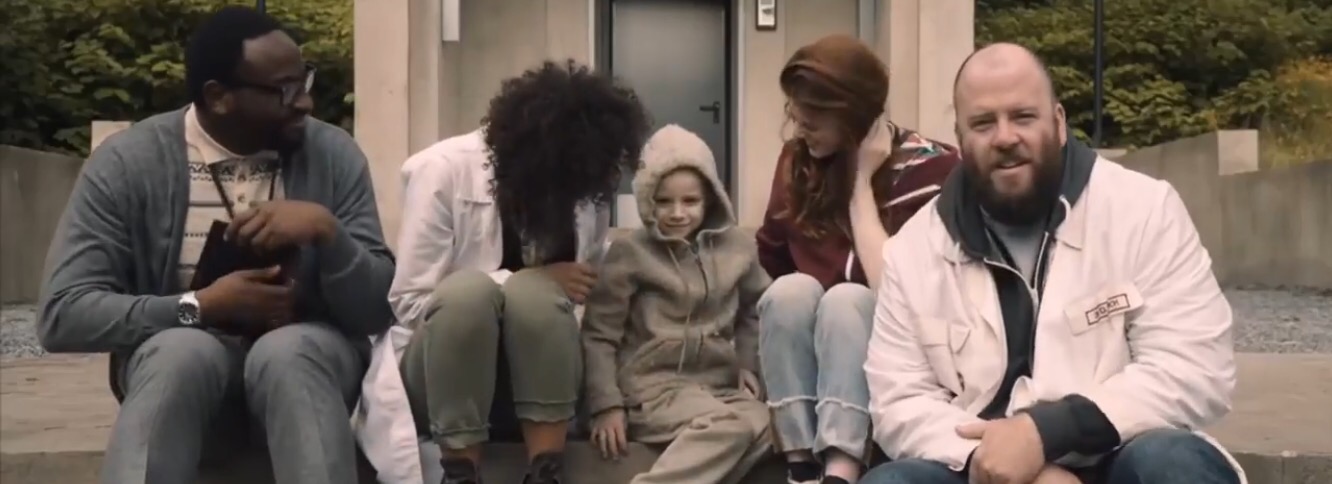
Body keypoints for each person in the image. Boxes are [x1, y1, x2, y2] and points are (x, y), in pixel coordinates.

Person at [36, 6, 396, 484]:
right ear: (218, 97)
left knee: (289, 353)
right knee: (182, 351)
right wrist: (197, 307)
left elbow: (377, 310)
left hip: (306, 367)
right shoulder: (128, 162)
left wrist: (329, 234)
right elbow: (63, 314)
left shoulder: (332, 155)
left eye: (304, 81)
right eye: (284, 90)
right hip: (183, 372)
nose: (306, 103)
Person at [860, 43, 1245, 484]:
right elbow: (898, 402)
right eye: (983, 123)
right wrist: (1014, 464)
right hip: (980, 466)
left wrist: (1048, 432)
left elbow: (1196, 368)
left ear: (1059, 123)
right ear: (960, 139)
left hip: (1118, 448)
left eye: (1023, 116)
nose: (1005, 137)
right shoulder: (913, 250)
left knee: (1173, 462)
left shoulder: (1144, 210)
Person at [365, 60, 651, 484]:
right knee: (468, 294)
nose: (574, 194)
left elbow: (586, 297)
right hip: (447, 383)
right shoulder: (443, 170)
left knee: (536, 300)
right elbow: (409, 302)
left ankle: (545, 471)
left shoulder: (583, 179)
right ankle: (460, 473)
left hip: (544, 385)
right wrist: (525, 280)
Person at [754, 34, 960, 484]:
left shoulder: (931, 170)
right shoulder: (797, 162)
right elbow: (772, 252)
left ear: (853, 116)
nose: (799, 130)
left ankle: (841, 466)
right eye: (795, 116)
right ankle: (800, 462)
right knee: (790, 291)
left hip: (892, 346)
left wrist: (860, 182)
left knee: (847, 299)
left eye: (812, 121)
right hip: (814, 352)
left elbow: (894, 289)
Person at [581, 125, 773, 484]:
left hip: (718, 387)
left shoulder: (738, 248)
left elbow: (756, 309)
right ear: (646, 199)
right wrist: (606, 405)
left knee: (770, 426)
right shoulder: (630, 253)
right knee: (730, 427)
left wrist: (748, 363)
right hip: (652, 389)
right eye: (663, 201)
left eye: (690, 201)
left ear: (711, 198)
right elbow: (599, 335)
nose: (677, 213)